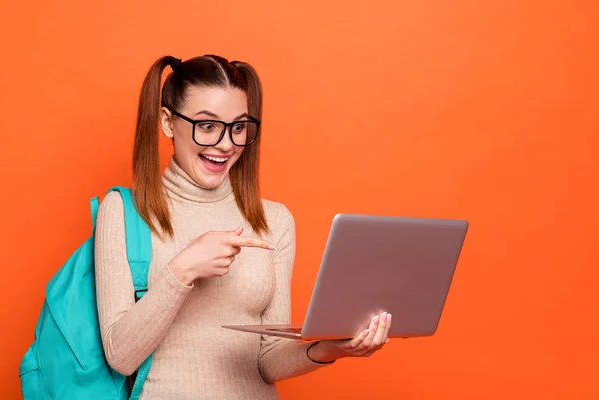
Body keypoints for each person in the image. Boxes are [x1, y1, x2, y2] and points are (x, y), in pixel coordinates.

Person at [95, 54, 392, 399]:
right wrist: (182, 270)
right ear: (167, 121)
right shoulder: (124, 212)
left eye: (238, 127)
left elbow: (267, 360)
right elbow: (121, 356)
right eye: (206, 126)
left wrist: (331, 348)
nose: (226, 144)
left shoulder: (273, 220)